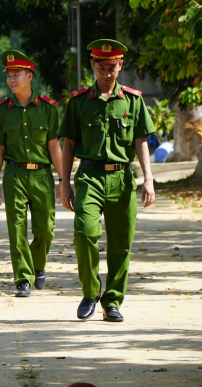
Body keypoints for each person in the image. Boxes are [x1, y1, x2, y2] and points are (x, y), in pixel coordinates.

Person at [58, 39, 156, 322]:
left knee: (120, 243)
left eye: (112, 67)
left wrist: (148, 179)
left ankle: (112, 300)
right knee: (85, 233)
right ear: (92, 65)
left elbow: (141, 142)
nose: (107, 73)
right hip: (89, 176)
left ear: (120, 65)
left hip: (123, 178)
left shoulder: (133, 100)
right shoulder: (79, 102)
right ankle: (90, 292)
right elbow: (68, 143)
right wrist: (64, 182)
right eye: (101, 67)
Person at [0, 50, 63, 298]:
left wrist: (63, 180)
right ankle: (23, 279)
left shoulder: (48, 109)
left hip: (42, 176)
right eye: (9, 75)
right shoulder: (2, 111)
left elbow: (54, 146)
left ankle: (37, 265)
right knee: (16, 229)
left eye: (16, 74)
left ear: (30, 76)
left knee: (46, 229)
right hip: (14, 175)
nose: (11, 80)